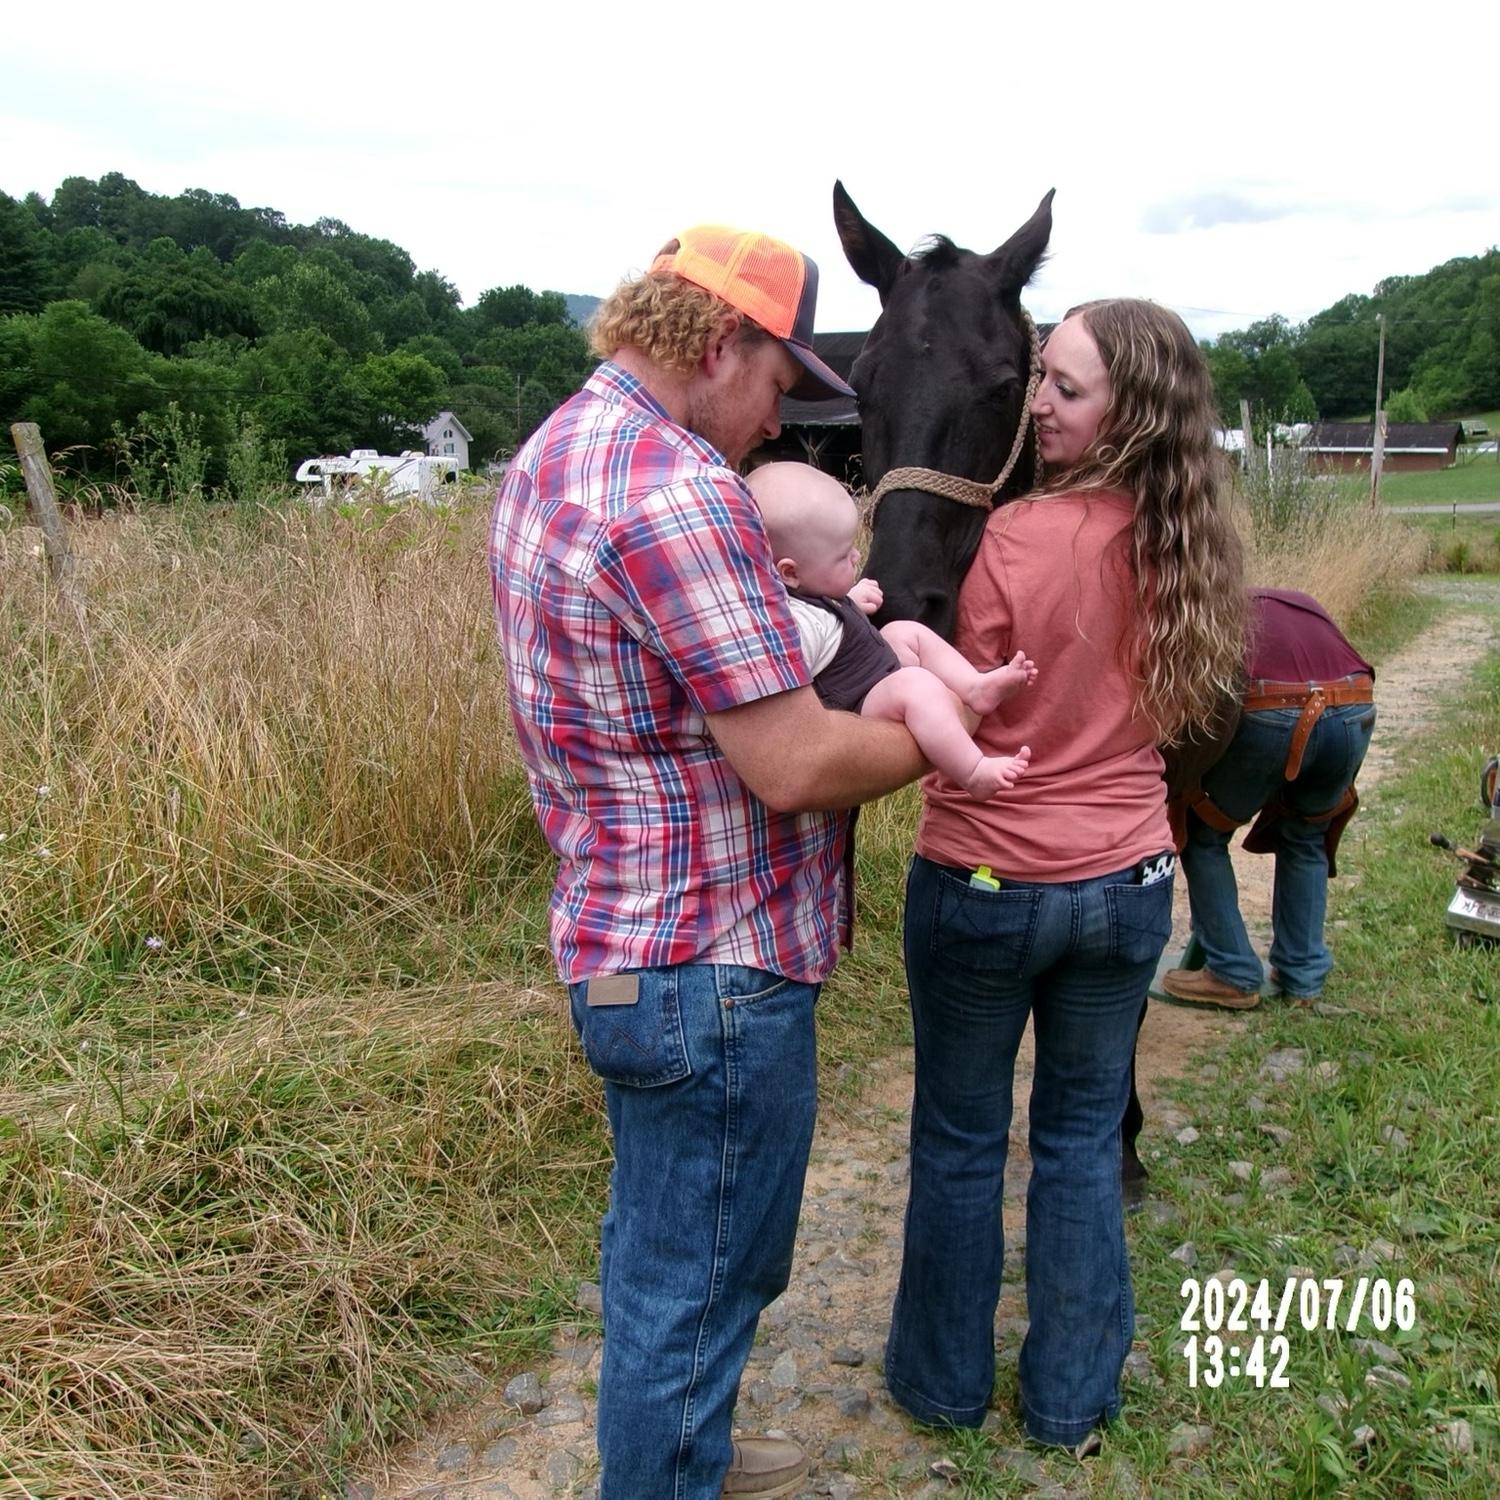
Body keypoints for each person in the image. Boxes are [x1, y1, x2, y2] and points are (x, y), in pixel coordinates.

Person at [488, 224, 930, 1500]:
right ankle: (671, 1472)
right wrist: (928, 741)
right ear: (723, 341)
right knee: (709, 1267)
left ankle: (693, 1450)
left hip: (625, 951)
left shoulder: (555, 453)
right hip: (712, 969)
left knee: (666, 1252)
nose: (774, 429)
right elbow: (792, 765)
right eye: (780, 390)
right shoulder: (678, 490)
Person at [883, 300, 1248, 1448]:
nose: (1038, 401)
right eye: (1041, 377)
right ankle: (1069, 1403)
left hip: (984, 883)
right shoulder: (1194, 545)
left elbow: (956, 703)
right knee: (1084, 1141)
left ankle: (942, 1390)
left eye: (1068, 388)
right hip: (1130, 883)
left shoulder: (1011, 536)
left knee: (957, 1138)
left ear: (1129, 411)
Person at [748, 461, 1037, 800]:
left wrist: (851, 600)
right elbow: (799, 672)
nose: (857, 556)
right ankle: (972, 771)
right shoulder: (796, 626)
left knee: (904, 631)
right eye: (842, 557)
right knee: (916, 686)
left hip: (870, 674)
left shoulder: (813, 595)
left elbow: (829, 621)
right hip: (856, 703)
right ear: (789, 573)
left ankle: (975, 686)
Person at [1160, 588, 1376, 1008]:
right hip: (1354, 704)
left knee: (1202, 833)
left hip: (1273, 708)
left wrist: (1179, 783)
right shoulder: (1296, 601)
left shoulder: (1211, 614)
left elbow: (1201, 716)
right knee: (1306, 834)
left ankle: (1231, 973)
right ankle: (1303, 979)